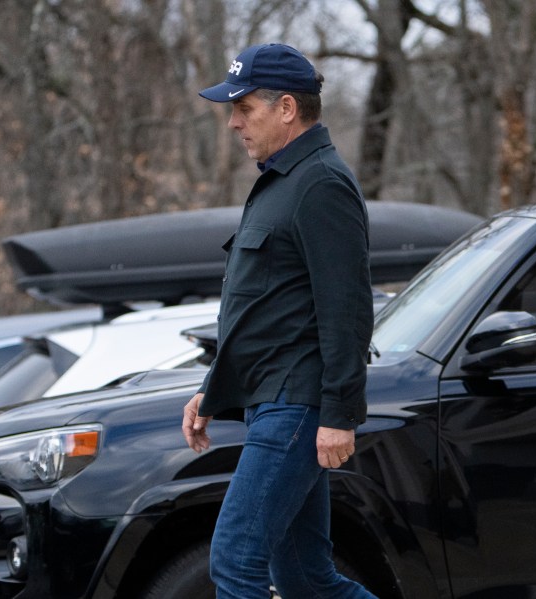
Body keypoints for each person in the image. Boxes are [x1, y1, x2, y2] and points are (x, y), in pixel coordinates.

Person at [181, 44, 377, 598]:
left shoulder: (320, 184)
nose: (233, 121)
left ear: (287, 107)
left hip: (298, 405)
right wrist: (212, 390)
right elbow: (263, 310)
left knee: (235, 560)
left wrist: (340, 412)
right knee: (306, 581)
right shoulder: (282, 181)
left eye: (244, 107)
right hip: (275, 401)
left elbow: (347, 309)